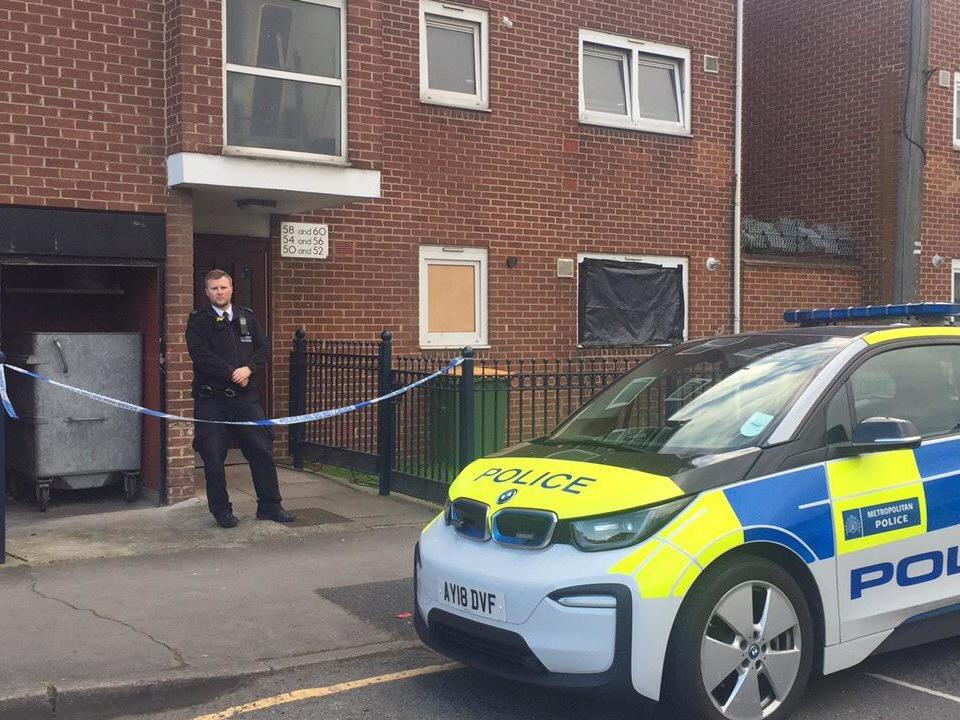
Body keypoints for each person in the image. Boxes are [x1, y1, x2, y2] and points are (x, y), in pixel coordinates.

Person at [186, 269, 295, 528]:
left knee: (261, 450)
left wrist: (249, 369)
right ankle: (222, 511)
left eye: (223, 287)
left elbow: (263, 347)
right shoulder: (198, 321)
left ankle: (270, 505)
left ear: (231, 289)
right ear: (207, 292)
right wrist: (233, 374)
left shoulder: (247, 317)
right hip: (212, 401)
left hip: (245, 399)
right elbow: (201, 356)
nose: (219, 292)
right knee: (212, 457)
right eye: (214, 288)